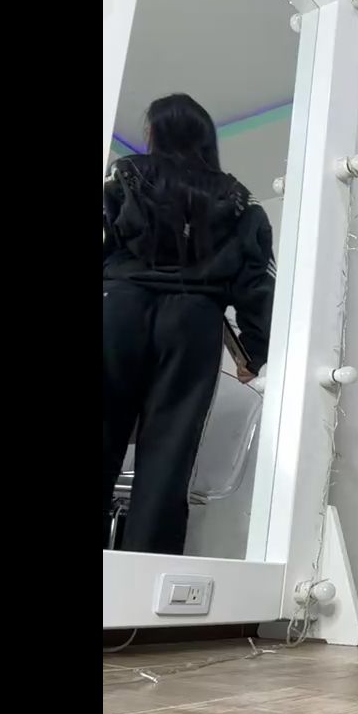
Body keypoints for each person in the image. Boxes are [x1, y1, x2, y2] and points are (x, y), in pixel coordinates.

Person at [103, 93, 275, 554]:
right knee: (169, 455)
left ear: (155, 133)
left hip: (118, 309)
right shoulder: (239, 199)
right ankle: (142, 579)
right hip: (193, 322)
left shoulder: (125, 174)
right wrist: (255, 352)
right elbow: (257, 281)